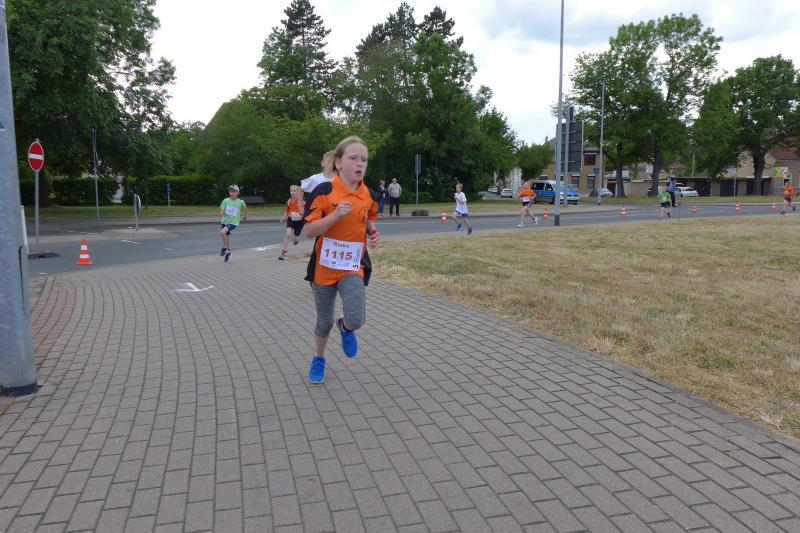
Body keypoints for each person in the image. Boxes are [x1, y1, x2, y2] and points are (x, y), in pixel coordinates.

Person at [303, 136, 380, 384]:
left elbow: (369, 218)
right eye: (353, 158)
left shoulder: (369, 194)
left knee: (356, 318)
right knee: (324, 322)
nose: (360, 164)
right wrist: (335, 215)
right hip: (324, 268)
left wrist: (372, 231)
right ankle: (319, 358)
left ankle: (345, 327)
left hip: (352, 266)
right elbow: (310, 231)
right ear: (338, 163)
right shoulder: (324, 191)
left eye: (364, 159)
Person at [218, 184, 248, 262]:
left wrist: (245, 215)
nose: (231, 193)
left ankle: (224, 248)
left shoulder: (240, 202)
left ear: (238, 193)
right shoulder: (225, 200)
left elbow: (245, 207)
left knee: (222, 232)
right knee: (226, 236)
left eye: (234, 191)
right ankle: (227, 252)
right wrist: (221, 213)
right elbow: (221, 211)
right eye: (230, 191)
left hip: (233, 222)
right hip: (225, 221)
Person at [278, 185, 305, 260]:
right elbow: (287, 211)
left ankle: (296, 239)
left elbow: (306, 213)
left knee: (296, 237)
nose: (292, 192)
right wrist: (283, 218)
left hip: (300, 221)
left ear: (298, 192)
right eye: (291, 191)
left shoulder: (302, 202)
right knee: (287, 235)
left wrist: (302, 214)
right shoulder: (289, 201)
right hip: (291, 220)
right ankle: (283, 253)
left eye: (294, 191)